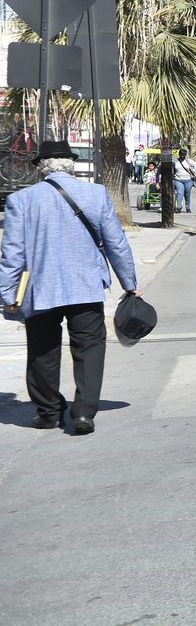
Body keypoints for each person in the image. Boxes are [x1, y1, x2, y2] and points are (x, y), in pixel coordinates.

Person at [0, 140, 138, 435]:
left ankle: (49, 412)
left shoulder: (22, 200)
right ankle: (84, 413)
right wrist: (130, 283)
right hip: (84, 286)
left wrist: (9, 294)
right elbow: (116, 243)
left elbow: (11, 253)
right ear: (71, 166)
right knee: (89, 346)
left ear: (41, 169)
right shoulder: (95, 194)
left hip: (40, 289)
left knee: (42, 350)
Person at [172, 148, 196, 213]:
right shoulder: (175, 161)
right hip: (178, 179)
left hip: (188, 180)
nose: (182, 156)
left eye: (184, 154)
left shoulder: (188, 161)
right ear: (179, 154)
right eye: (181, 154)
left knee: (187, 194)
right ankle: (178, 207)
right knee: (179, 193)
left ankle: (188, 207)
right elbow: (171, 169)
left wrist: (193, 172)